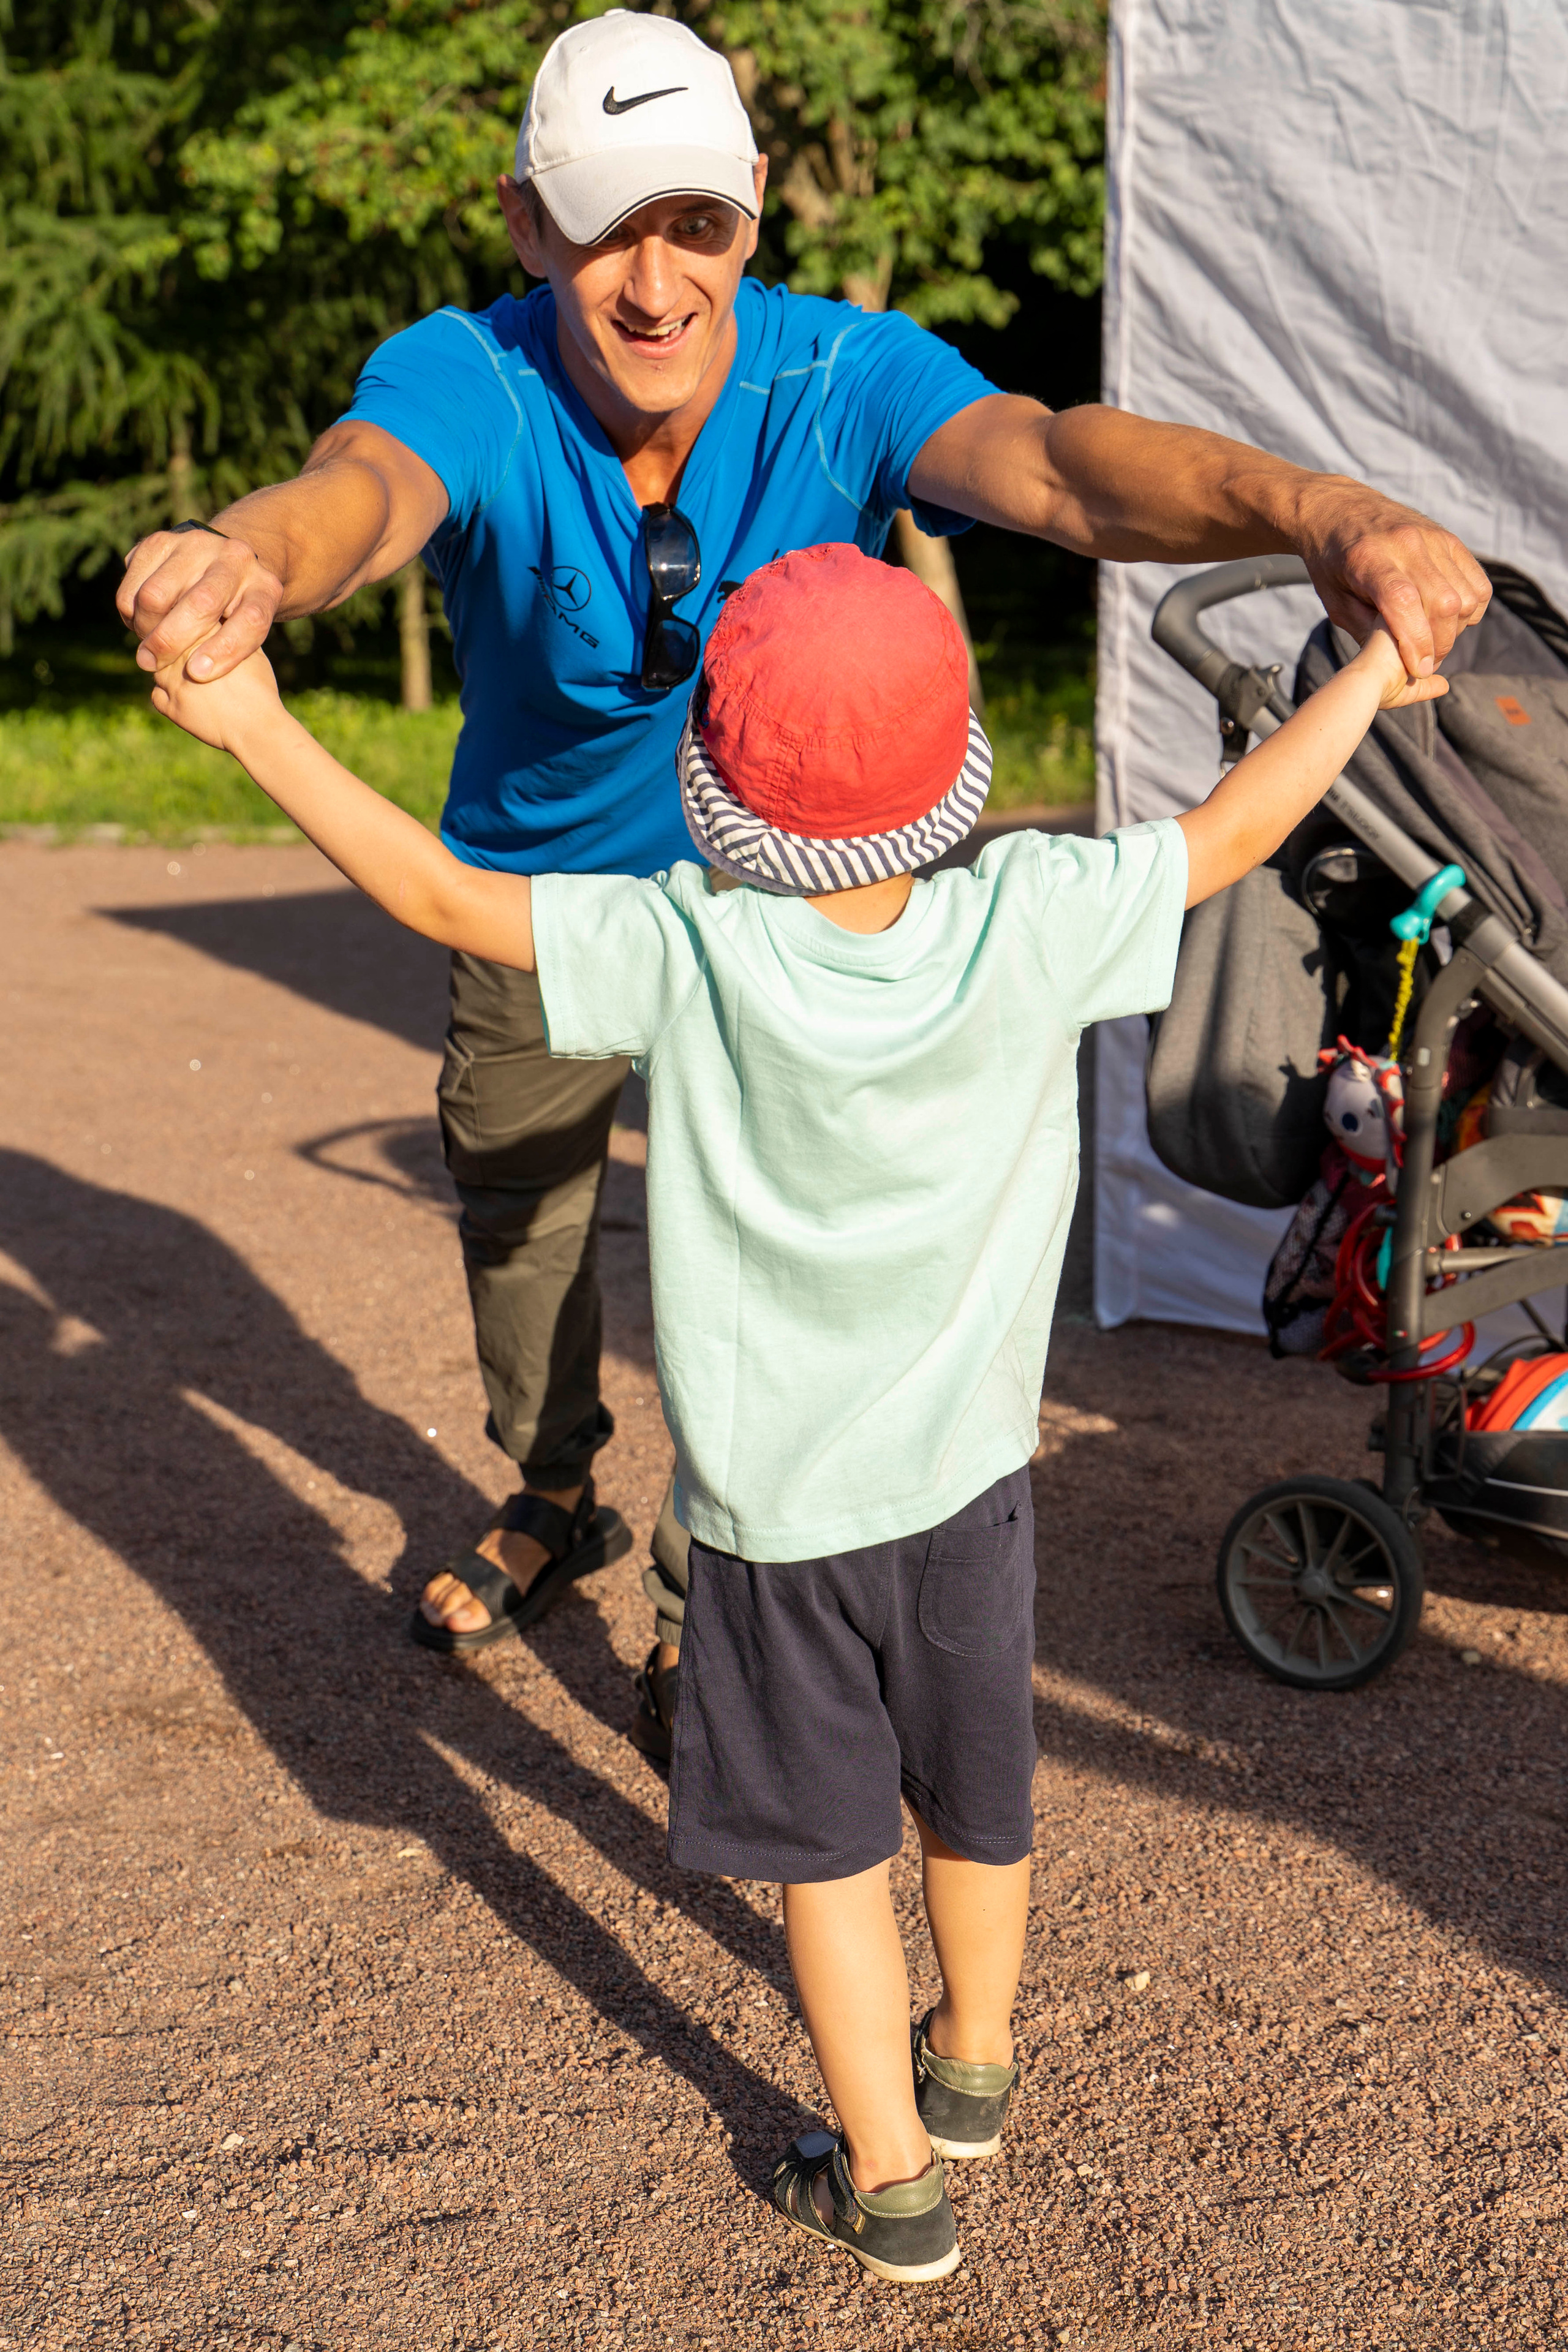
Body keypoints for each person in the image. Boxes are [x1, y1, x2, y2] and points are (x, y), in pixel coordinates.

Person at [116, 9, 1490, 1758]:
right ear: (532, 228)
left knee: (752, 1275)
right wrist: (246, 560)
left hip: (781, 922)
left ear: (755, 209)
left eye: (698, 220)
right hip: (541, 902)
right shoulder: (468, 370)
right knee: (522, 1222)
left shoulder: (841, 371)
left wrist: (1321, 512)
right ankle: (556, 1492)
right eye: (609, 223)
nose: (658, 274)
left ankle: (712, 1599)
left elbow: (1065, 468)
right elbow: (360, 497)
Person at [148, 540, 1448, 2282]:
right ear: (961, 767)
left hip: (777, 1515)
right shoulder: (1030, 912)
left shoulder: (686, 945)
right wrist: (1363, 669)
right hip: (976, 1481)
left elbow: (449, 895)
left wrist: (256, 729)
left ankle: (894, 2184)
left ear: (715, 790)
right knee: (980, 1798)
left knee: (828, 1857)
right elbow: (1233, 832)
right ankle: (972, 2063)